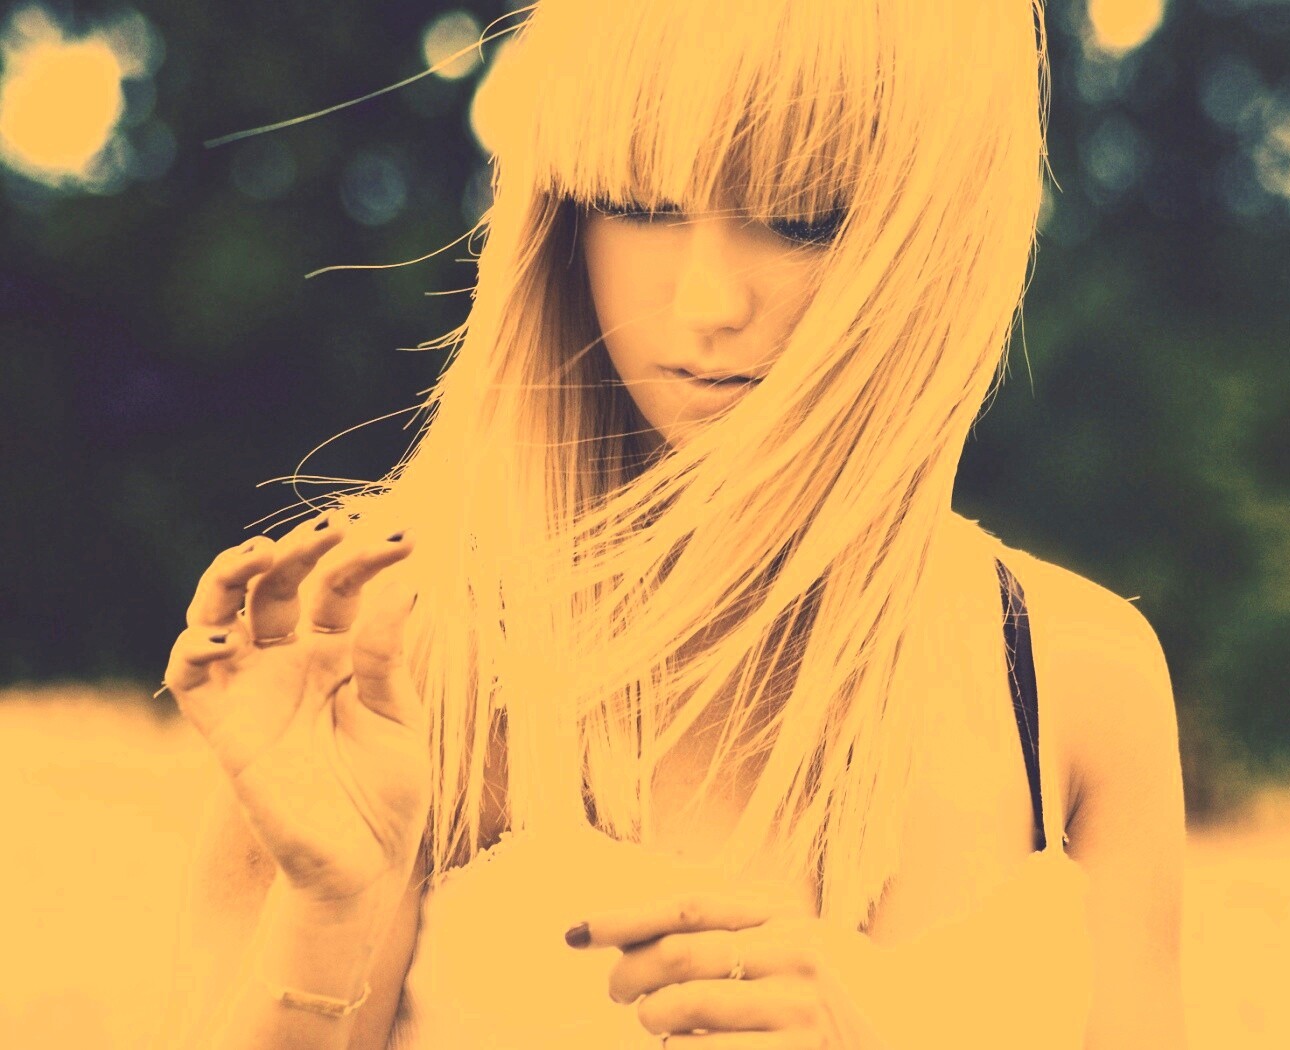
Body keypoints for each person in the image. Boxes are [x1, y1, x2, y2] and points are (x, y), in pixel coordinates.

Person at [157, 1, 1187, 1047]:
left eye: (800, 218)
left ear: (943, 233)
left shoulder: (1076, 682)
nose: (704, 303)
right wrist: (330, 912)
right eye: (639, 205)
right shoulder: (388, 640)